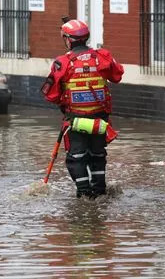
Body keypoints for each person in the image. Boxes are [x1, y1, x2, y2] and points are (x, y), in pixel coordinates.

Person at [41, 19, 124, 198]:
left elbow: (51, 95)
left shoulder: (62, 62)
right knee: (98, 155)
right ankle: (100, 192)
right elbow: (117, 76)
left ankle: (84, 195)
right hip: (100, 119)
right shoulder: (103, 56)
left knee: (76, 157)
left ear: (68, 40)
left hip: (75, 119)